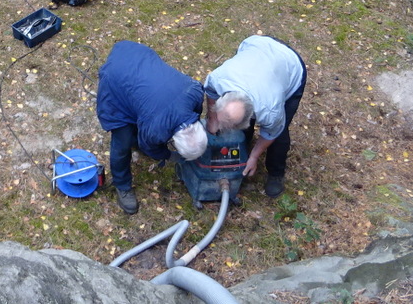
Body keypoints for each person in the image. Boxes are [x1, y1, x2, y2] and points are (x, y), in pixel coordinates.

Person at [96, 40, 210, 214]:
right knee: (122, 142)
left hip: (137, 53)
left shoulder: (194, 92)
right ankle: (122, 185)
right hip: (117, 79)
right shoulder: (155, 131)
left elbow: (194, 111)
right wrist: (170, 156)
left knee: (142, 110)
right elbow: (148, 146)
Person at [203, 35, 307, 199]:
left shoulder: (270, 110)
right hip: (257, 45)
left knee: (280, 135)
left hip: (289, 65)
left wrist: (254, 156)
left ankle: (275, 173)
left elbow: (271, 132)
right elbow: (210, 92)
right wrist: (213, 119)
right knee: (241, 131)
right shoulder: (219, 78)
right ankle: (243, 146)